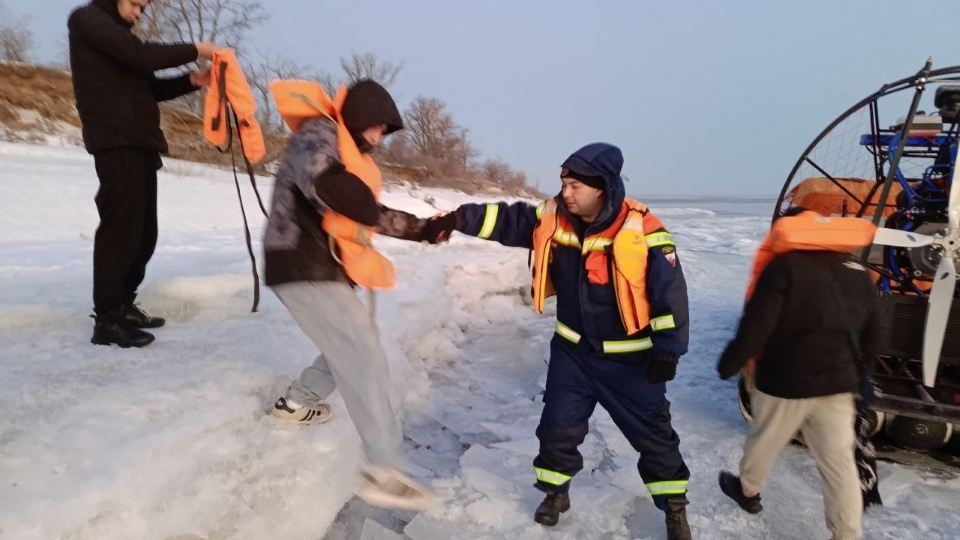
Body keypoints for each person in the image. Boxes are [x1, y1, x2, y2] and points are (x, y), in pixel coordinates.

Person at [422, 143, 693, 540]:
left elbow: (669, 294)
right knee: (556, 429)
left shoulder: (645, 230)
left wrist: (669, 350)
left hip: (631, 360)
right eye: (563, 183)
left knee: (654, 437)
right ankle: (555, 493)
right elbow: (504, 218)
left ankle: (673, 507)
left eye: (575, 186)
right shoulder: (553, 217)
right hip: (572, 354)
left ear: (602, 187)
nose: (565, 192)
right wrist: (456, 218)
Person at [264, 78, 438, 510]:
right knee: (359, 352)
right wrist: (351, 193)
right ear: (360, 117)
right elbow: (328, 184)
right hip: (300, 261)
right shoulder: (318, 136)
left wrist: (424, 229)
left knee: (352, 341)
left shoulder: (344, 149)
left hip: (318, 266)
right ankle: (383, 468)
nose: (379, 139)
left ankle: (295, 404)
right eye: (378, 127)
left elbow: (365, 213)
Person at [68, 0, 222, 348]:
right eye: (137, 4)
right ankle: (107, 320)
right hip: (115, 141)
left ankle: (123, 304)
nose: (140, 13)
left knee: (143, 233)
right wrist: (198, 49)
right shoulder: (87, 20)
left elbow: (149, 88)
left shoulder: (120, 39)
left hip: (139, 142)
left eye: (144, 8)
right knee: (120, 231)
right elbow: (141, 56)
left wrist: (194, 80)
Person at [716, 238, 882, 540]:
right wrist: (860, 374)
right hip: (839, 383)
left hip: (785, 381)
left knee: (764, 441)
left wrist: (730, 363)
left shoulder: (784, 267)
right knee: (838, 464)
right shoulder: (856, 269)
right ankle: (846, 534)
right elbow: (874, 330)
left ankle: (748, 491)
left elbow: (757, 324)